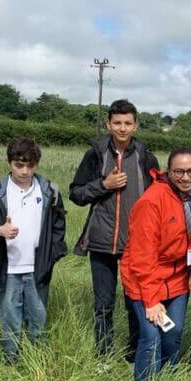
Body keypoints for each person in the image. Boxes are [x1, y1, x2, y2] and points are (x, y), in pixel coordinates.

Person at [69, 99, 159, 361]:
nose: (122, 128)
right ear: (108, 124)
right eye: (117, 123)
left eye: (128, 123)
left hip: (136, 244)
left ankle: (134, 355)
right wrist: (103, 185)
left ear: (135, 125)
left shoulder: (146, 157)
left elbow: (158, 197)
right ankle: (104, 356)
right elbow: (76, 193)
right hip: (101, 241)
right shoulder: (96, 154)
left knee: (136, 304)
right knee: (104, 305)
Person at [120, 148, 191, 381]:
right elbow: (142, 255)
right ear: (169, 172)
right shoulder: (151, 201)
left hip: (177, 277)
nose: (186, 177)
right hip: (144, 277)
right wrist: (150, 299)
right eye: (179, 171)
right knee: (151, 336)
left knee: (173, 332)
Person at [0, 138, 67, 365]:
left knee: (38, 319)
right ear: (8, 162)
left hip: (38, 269)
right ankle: (11, 364)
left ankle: (37, 362)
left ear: (37, 163)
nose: (25, 171)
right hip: (7, 270)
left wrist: (52, 255)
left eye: (30, 165)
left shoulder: (49, 191)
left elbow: (58, 228)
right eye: (19, 165)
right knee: (10, 322)